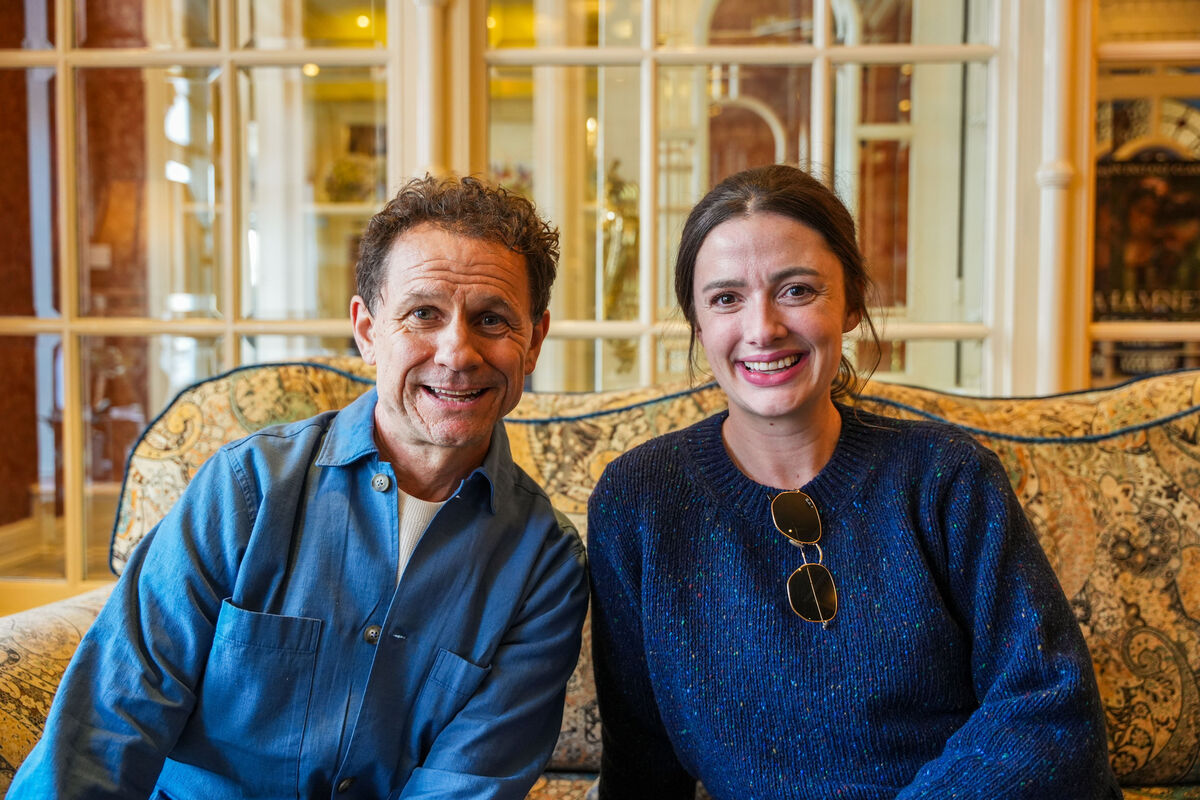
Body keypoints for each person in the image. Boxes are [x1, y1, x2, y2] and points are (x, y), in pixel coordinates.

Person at [10, 175, 589, 799]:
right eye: (423, 314)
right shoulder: (244, 492)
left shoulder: (545, 567)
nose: (458, 351)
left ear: (533, 341)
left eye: (492, 320)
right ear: (368, 330)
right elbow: (106, 726)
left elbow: (464, 790)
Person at [588, 164, 1120, 799]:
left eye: (798, 290)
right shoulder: (639, 499)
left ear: (852, 304)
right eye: (726, 298)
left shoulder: (945, 475)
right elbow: (640, 761)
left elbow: (1051, 706)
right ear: (700, 327)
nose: (763, 328)